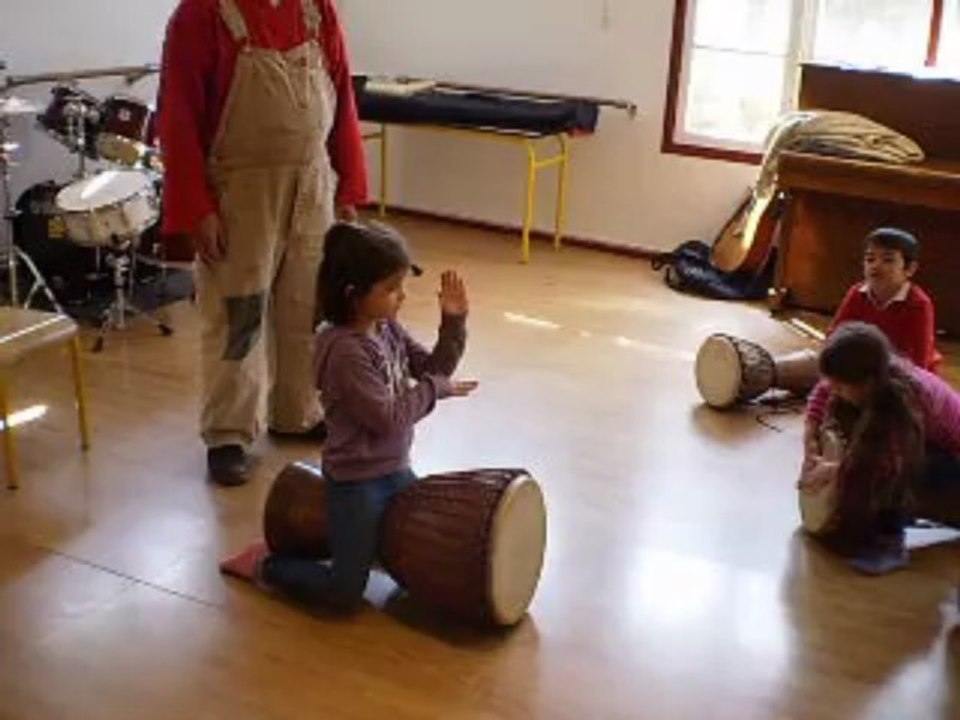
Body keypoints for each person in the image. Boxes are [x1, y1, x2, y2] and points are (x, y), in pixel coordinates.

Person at [156, 0, 368, 486]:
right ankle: (228, 433)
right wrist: (196, 208)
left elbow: (343, 99)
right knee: (240, 314)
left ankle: (297, 411)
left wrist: (350, 188)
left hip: (314, 185)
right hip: (240, 193)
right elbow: (177, 117)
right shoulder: (200, 15)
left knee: (306, 307)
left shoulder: (317, 10)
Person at [220, 221, 477, 611]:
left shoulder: (384, 327)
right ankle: (267, 565)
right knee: (345, 591)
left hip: (394, 467)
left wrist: (453, 324)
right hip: (357, 481)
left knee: (410, 558)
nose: (401, 297)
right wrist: (434, 390)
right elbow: (389, 418)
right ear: (353, 295)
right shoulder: (345, 352)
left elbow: (431, 369)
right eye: (391, 289)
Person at [799, 323, 960, 575]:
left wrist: (835, 470)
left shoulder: (907, 397)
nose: (836, 390)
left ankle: (889, 537)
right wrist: (810, 438)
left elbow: (887, 462)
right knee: (847, 417)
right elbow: (824, 390)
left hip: (952, 468)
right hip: (931, 452)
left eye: (842, 386)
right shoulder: (876, 372)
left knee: (898, 461)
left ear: (869, 381)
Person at [829, 227, 941, 373]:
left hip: (901, 371)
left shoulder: (919, 304)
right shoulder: (857, 293)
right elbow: (834, 334)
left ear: (910, 269)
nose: (876, 265)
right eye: (870, 259)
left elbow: (920, 358)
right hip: (861, 366)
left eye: (888, 260)